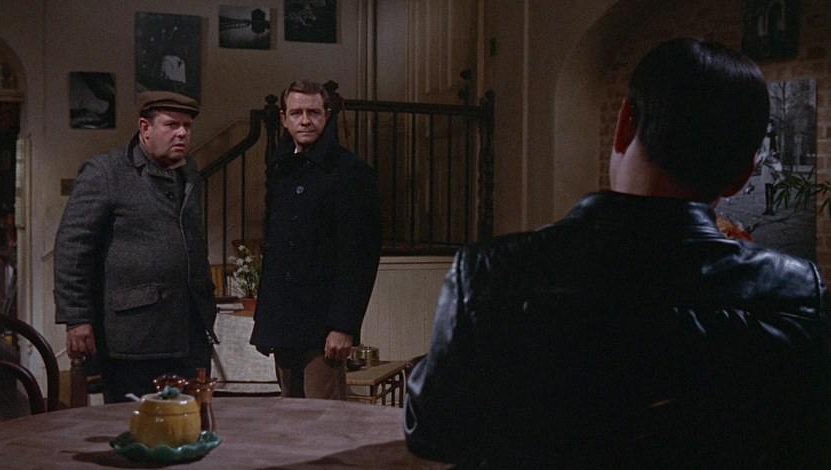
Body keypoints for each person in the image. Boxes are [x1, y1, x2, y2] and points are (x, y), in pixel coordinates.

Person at [404, 38, 831, 468]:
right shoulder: (797, 294)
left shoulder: (490, 272)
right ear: (743, 174)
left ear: (625, 123)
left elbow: (434, 432)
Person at [54, 91, 218, 403]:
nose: (182, 133)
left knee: (191, 420)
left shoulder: (188, 170)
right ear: (145, 128)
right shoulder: (106, 171)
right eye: (171, 125)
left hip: (189, 330)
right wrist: (77, 317)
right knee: (134, 421)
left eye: (187, 126)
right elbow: (73, 248)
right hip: (134, 335)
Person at [250, 80, 381, 400]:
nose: (305, 121)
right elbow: (277, 249)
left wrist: (343, 325)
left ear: (327, 115)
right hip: (285, 323)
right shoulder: (280, 168)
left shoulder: (350, 170)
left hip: (322, 325)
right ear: (284, 118)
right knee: (290, 417)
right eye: (296, 113)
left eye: (313, 112)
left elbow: (359, 256)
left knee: (324, 418)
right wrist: (267, 321)